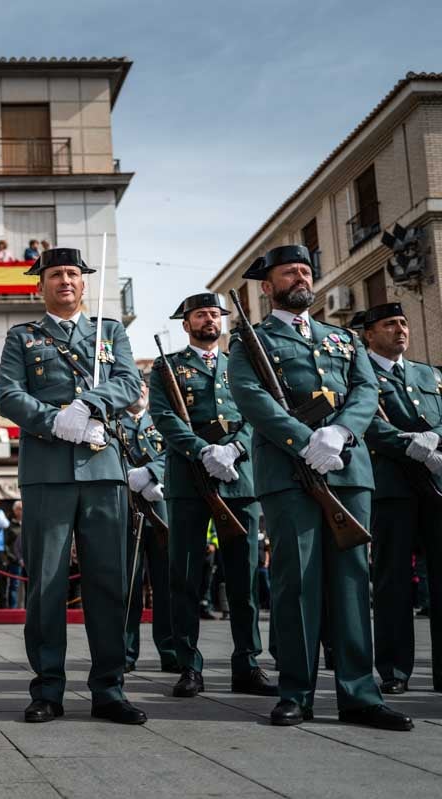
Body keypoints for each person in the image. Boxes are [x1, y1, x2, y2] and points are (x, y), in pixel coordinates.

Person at [228, 244, 410, 730]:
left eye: (306, 271)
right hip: (289, 475)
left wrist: (341, 433)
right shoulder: (250, 340)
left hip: (348, 471)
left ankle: (359, 694)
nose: (301, 278)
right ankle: (296, 691)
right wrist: (305, 440)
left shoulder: (342, 338)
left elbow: (367, 390)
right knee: (298, 583)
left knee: (353, 583)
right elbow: (250, 397)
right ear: (268, 287)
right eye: (290, 272)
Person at [0, 246, 145, 725]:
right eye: (56, 274)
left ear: (84, 283)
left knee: (108, 581)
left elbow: (128, 381)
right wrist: (57, 420)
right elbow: (8, 395)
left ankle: (109, 688)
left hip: (103, 469)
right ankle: (48, 690)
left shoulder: (110, 331)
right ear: (40, 285)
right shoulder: (23, 337)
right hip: (47, 472)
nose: (65, 281)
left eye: (73, 274)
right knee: (46, 584)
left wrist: (91, 406)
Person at [149, 293, 274, 697]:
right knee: (185, 577)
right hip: (189, 481)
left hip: (240, 480)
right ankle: (189, 666)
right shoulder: (167, 367)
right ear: (185, 324)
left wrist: (235, 448)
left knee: (244, 577)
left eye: (214, 313)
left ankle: (247, 663)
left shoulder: (243, 363)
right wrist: (202, 450)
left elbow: (263, 409)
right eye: (200, 314)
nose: (209, 319)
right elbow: (164, 417)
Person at [360, 302, 442, 694]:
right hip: (391, 489)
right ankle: (394, 670)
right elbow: (366, 423)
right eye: (390, 324)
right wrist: (406, 443)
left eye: (404, 323)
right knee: (392, 581)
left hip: (435, 487)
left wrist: (435, 438)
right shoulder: (360, 374)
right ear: (369, 333)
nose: (401, 330)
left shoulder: (429, 374)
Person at [118, 383, 178, 674]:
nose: (139, 391)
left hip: (161, 510)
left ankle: (170, 650)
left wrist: (153, 473)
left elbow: (177, 447)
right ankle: (126, 653)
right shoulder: (114, 420)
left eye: (142, 385)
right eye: (134, 385)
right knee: (129, 584)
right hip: (127, 509)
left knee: (166, 583)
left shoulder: (162, 418)